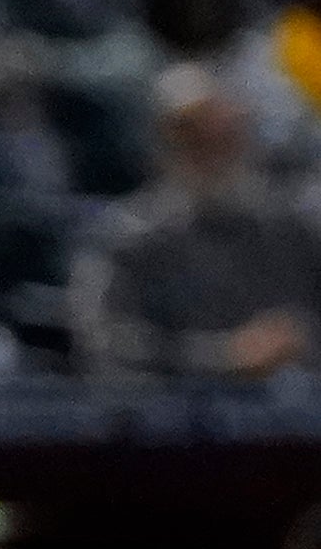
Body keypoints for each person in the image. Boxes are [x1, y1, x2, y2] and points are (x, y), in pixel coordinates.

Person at [69, 65, 321, 380]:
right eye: (196, 138)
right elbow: (104, 343)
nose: (216, 152)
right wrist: (224, 356)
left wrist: (296, 343)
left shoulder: (290, 232)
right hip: (173, 421)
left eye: (227, 135)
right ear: (163, 145)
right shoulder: (126, 238)